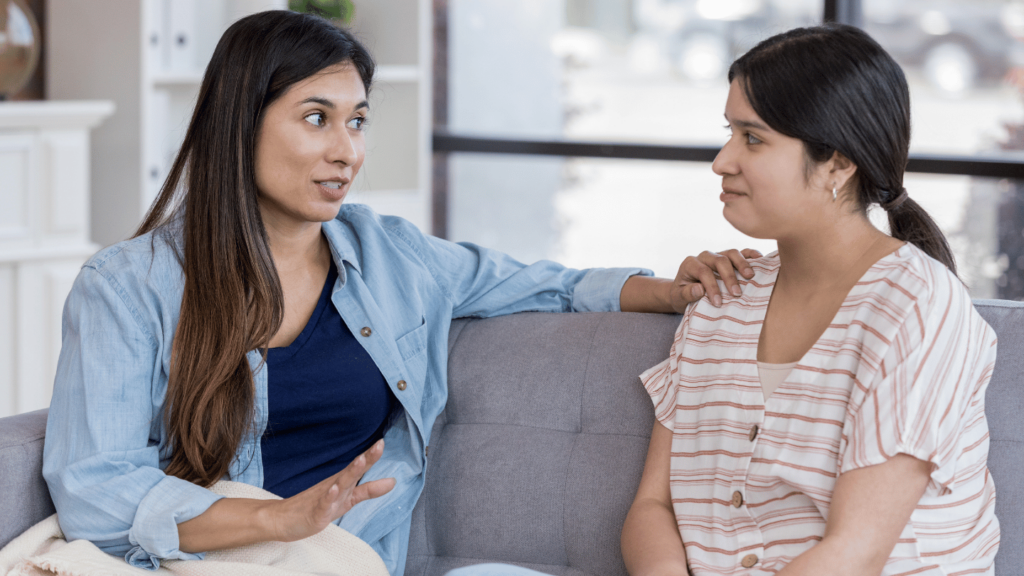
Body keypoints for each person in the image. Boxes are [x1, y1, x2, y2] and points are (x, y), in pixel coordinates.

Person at [41, 10, 758, 575]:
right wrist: (279, 519)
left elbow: (551, 285)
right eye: (316, 117)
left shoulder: (392, 256)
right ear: (240, 122)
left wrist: (672, 290)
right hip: (197, 559)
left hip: (344, 561)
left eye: (357, 121)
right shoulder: (127, 287)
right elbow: (93, 487)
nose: (346, 150)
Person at [621, 24, 999, 576]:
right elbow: (654, 506)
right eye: (729, 132)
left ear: (838, 165)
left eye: (752, 138)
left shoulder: (917, 305)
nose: (722, 161)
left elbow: (855, 554)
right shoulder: (724, 296)